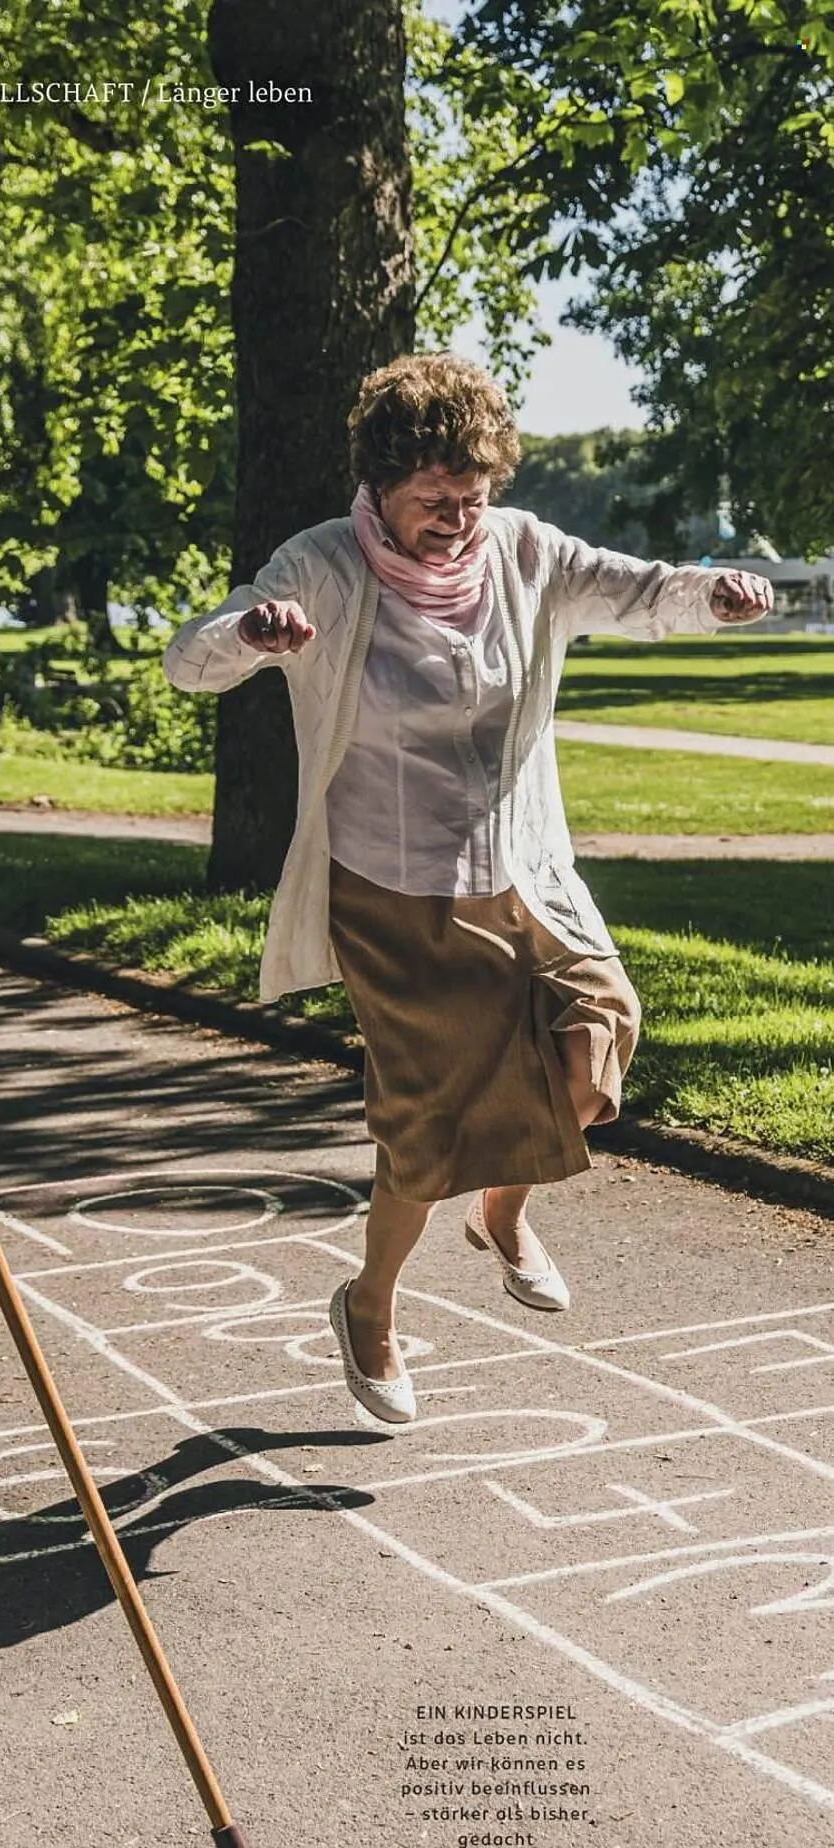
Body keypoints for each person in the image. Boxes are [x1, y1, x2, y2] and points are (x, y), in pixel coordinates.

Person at [163, 353, 771, 1430]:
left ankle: (501, 1212)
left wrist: (713, 595)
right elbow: (190, 658)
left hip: (520, 864)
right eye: (433, 501)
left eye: (473, 497)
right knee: (425, 1129)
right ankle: (369, 1305)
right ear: (380, 486)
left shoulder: (525, 551)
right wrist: (252, 636)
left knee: (600, 1034)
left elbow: (638, 590)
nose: (457, 520)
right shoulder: (320, 567)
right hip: (390, 889)